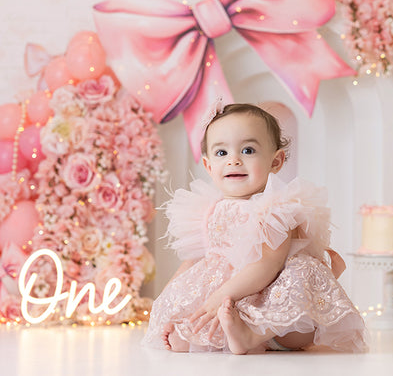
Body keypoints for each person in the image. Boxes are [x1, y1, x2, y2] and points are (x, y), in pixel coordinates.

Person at [142, 103, 368, 354]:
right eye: (221, 153)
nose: (234, 160)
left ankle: (253, 335)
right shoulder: (206, 211)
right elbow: (192, 262)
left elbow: (268, 264)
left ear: (276, 161)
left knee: (301, 294)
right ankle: (239, 335)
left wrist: (222, 296)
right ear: (208, 166)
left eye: (248, 150)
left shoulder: (276, 209)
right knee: (179, 340)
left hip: (275, 311)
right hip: (228, 307)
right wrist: (167, 303)